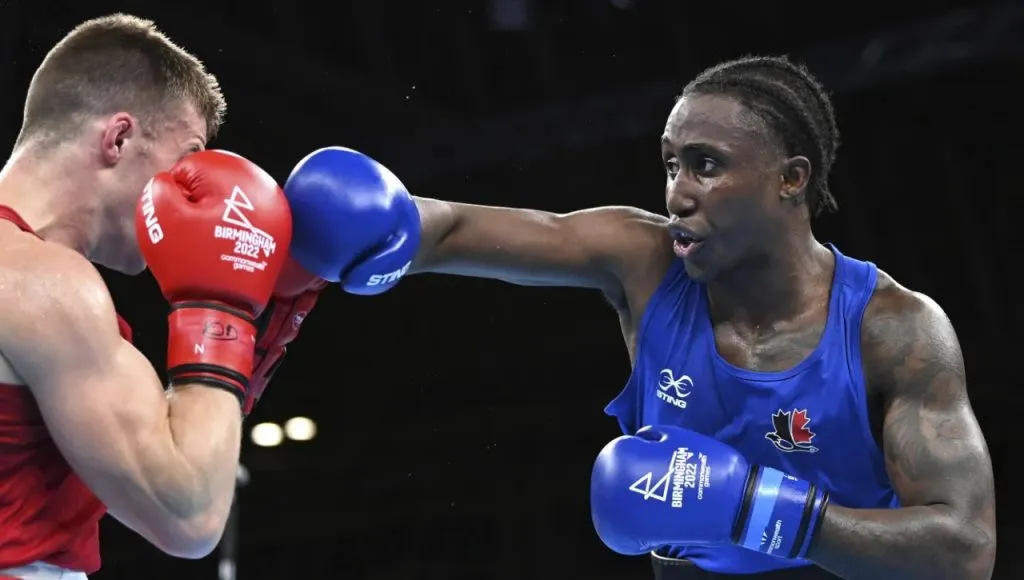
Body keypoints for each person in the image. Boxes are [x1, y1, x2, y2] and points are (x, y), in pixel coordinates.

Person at [283, 55, 996, 579]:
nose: (679, 193)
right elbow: (455, 229)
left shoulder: (891, 329)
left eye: (707, 165)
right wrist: (386, 224)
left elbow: (964, 547)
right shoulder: (643, 259)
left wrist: (755, 510)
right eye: (671, 164)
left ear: (791, 178)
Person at [0, 14, 322, 579]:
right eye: (188, 155)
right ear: (119, 138)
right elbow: (188, 514)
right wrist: (223, 308)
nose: (190, 182)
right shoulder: (41, 283)